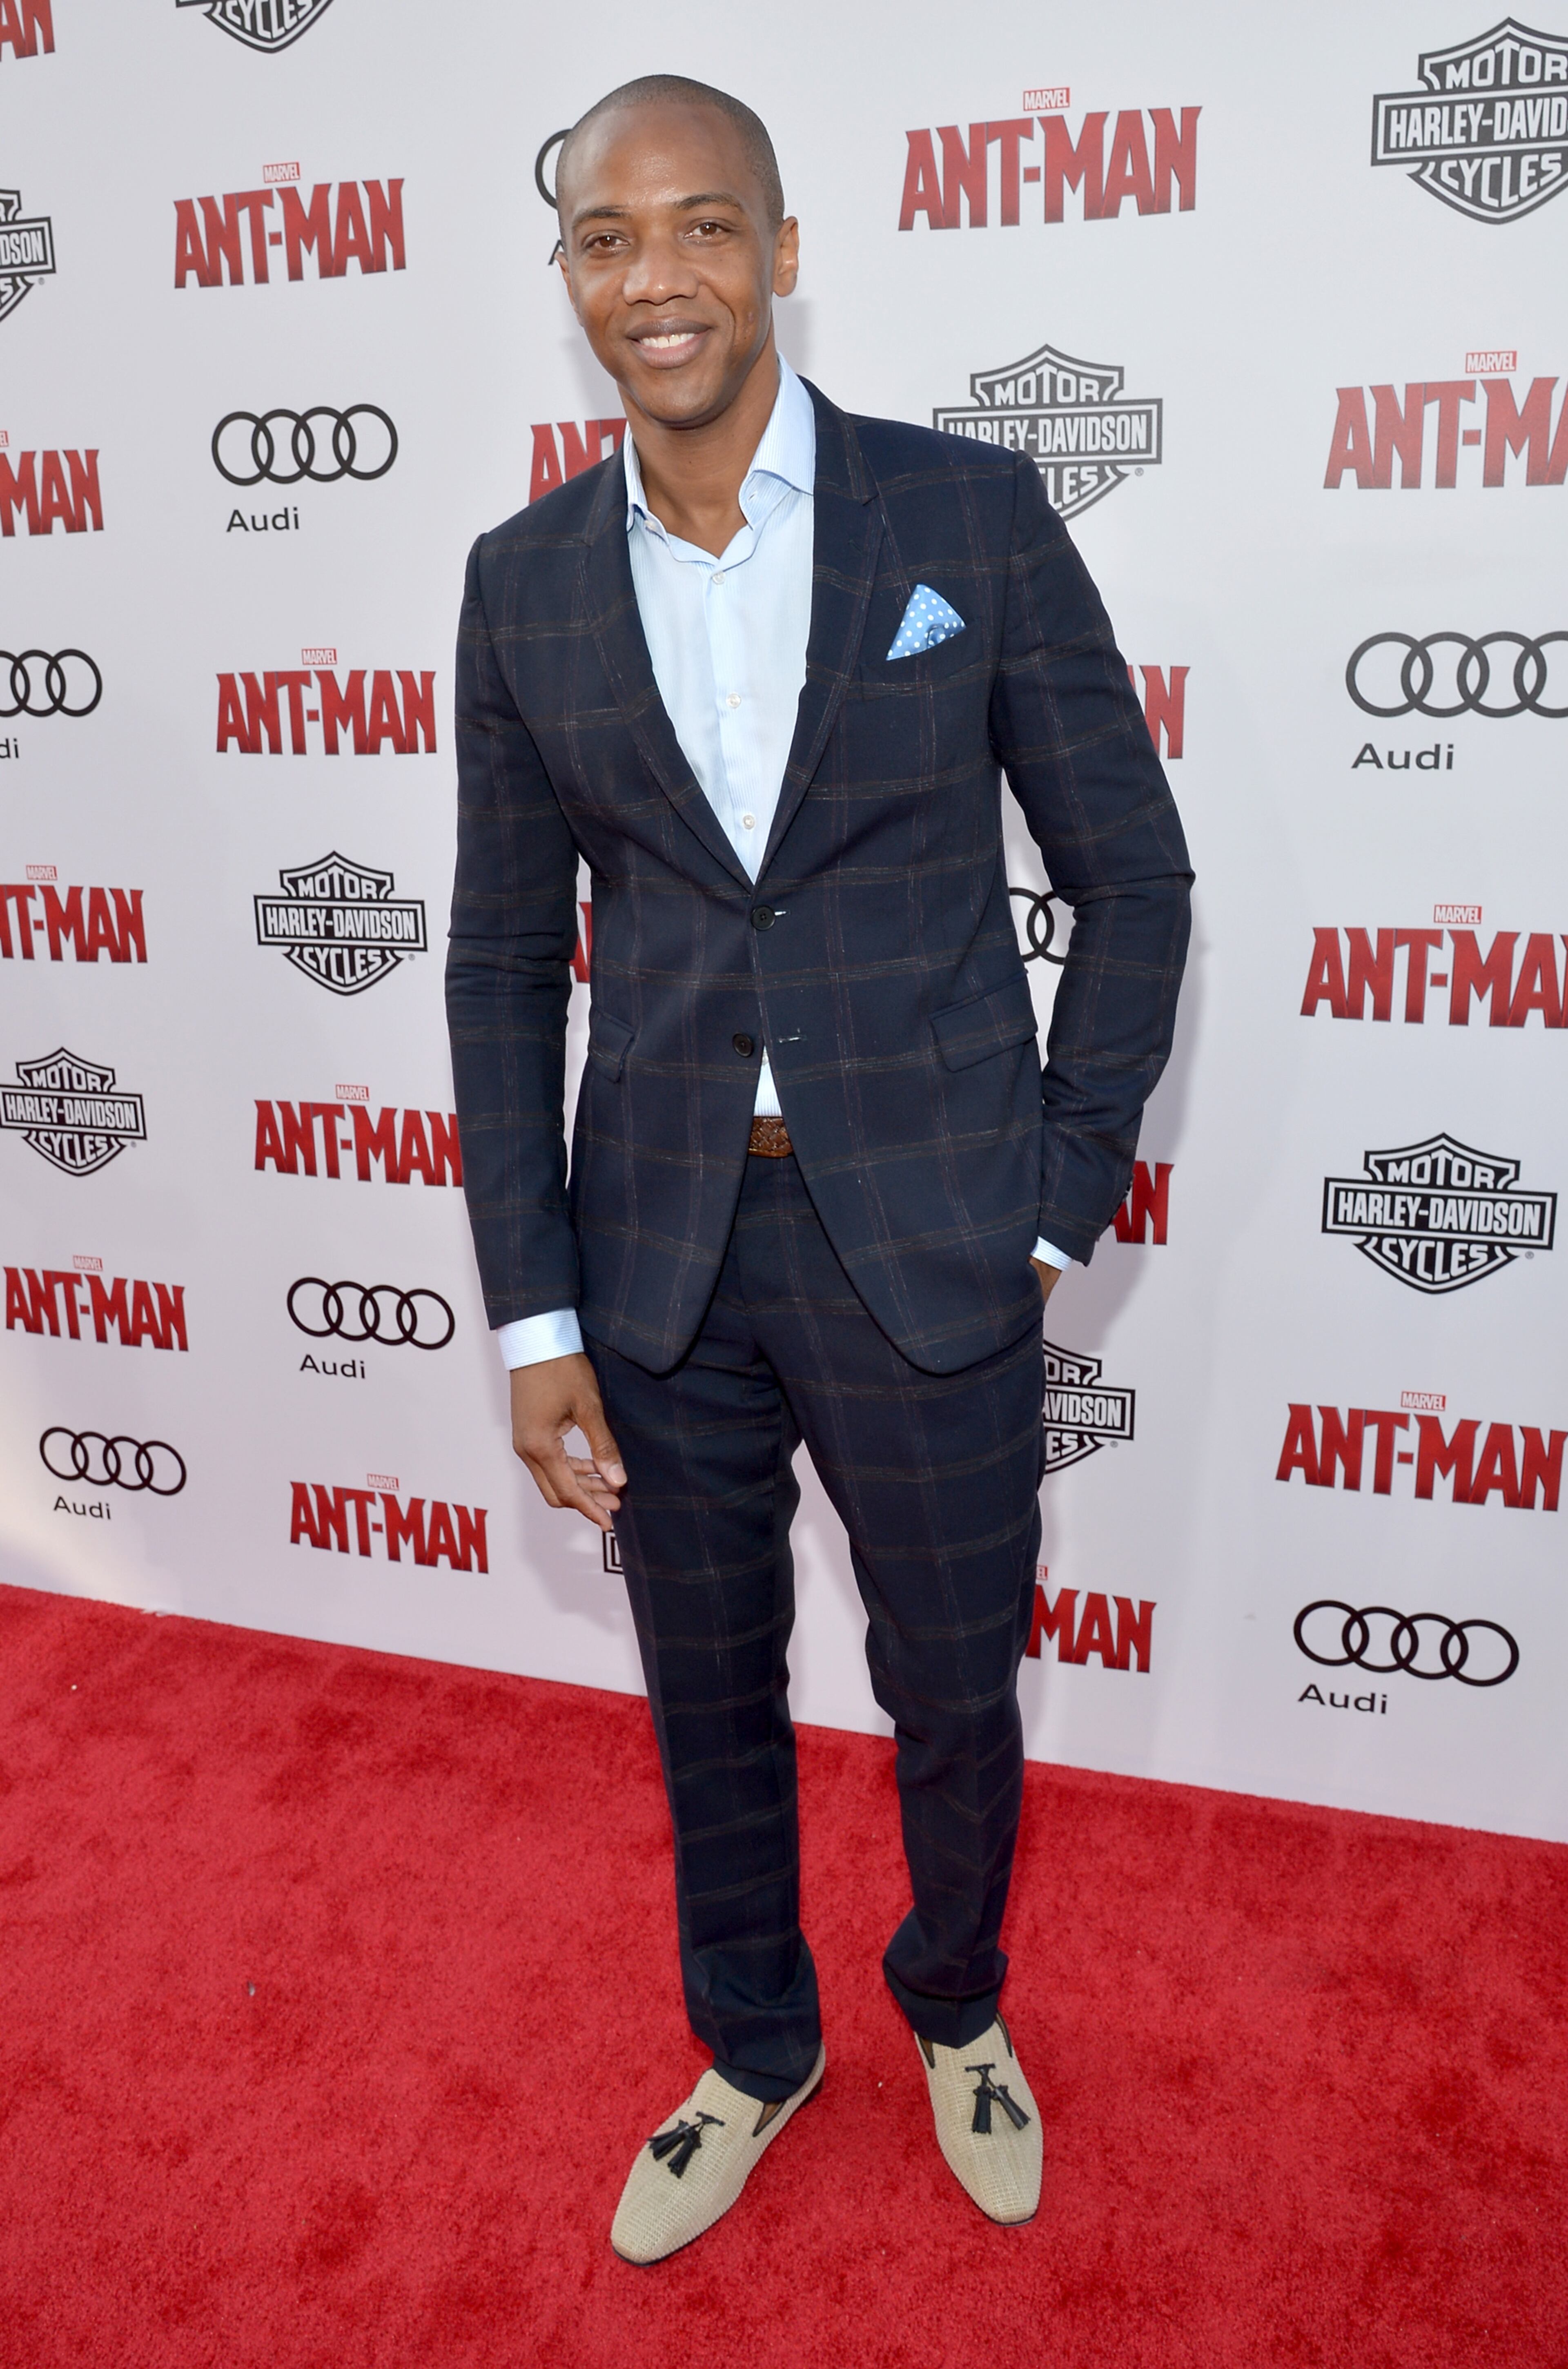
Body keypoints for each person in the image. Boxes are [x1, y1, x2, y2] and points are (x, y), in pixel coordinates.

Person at [445, 73, 1191, 2264]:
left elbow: (1132, 883)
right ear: (569, 275)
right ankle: (755, 2046)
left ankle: (955, 2002)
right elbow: (501, 967)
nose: (651, 279)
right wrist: (537, 1305)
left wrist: (1057, 1201)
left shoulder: (961, 518)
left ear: (783, 248)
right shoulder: (519, 589)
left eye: (698, 228)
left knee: (955, 1684)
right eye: (605, 238)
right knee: (706, 1694)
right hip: (658, 1252)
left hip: (936, 1239)